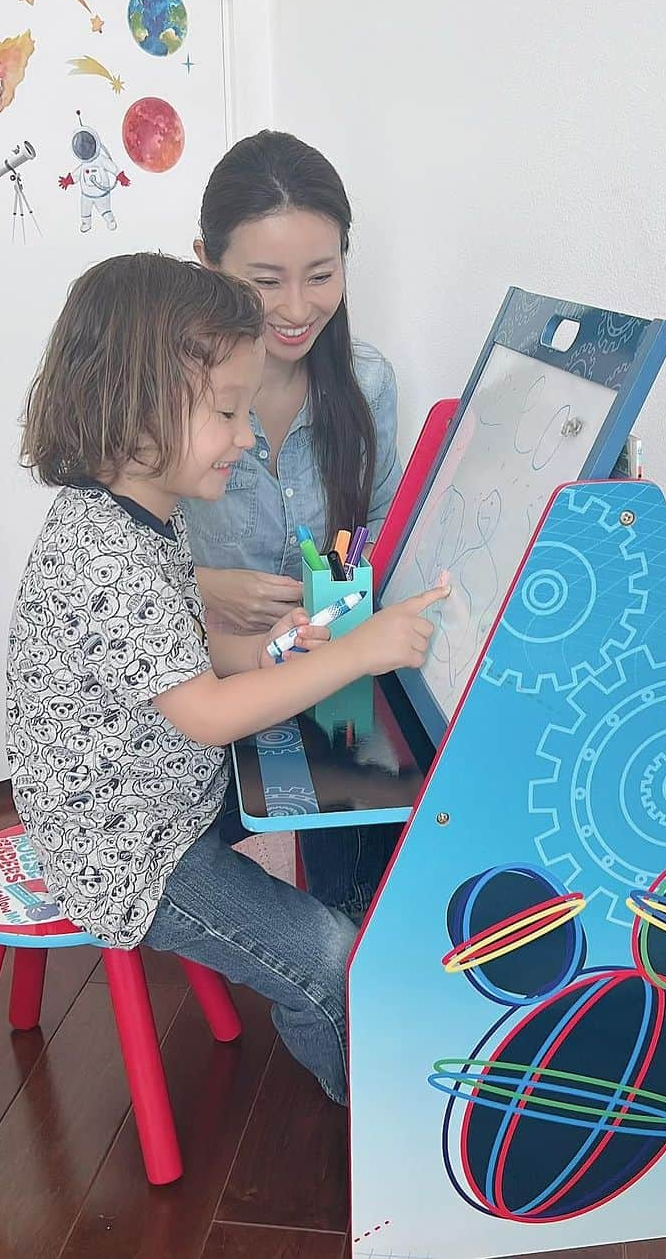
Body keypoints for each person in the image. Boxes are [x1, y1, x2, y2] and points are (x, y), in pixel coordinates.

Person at [7, 253, 447, 1104]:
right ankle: (377, 1120)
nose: (246, 437)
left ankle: (367, 950)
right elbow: (205, 715)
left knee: (339, 777)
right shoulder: (105, 556)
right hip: (135, 853)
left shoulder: (134, 517)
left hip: (166, 794)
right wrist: (358, 652)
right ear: (132, 406)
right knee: (328, 960)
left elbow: (180, 658)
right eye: (226, 412)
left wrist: (271, 651)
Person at [185, 130, 404, 918]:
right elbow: (110, 561)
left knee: (377, 805)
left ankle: (361, 961)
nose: (297, 308)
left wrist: (352, 594)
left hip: (320, 683)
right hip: (200, 688)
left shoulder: (365, 382)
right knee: (166, 863)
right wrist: (204, 584)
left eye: (322, 274)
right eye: (264, 281)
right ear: (206, 262)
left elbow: (381, 522)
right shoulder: (167, 397)